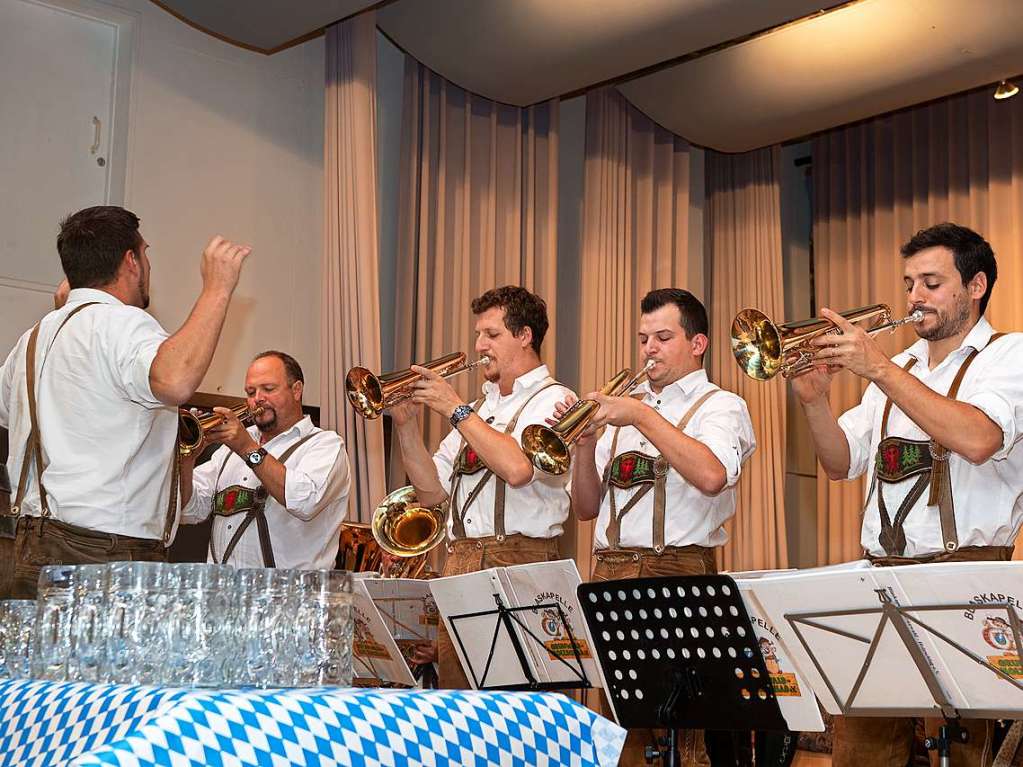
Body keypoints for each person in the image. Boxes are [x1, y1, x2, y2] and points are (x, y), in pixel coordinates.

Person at [791, 222, 1023, 766]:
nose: (915, 297)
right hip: (881, 576)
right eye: (909, 283)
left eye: (932, 282)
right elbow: (839, 462)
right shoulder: (902, 369)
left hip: (967, 578)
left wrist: (876, 366)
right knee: (862, 753)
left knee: (967, 755)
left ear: (976, 285)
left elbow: (978, 437)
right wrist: (813, 402)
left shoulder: (1008, 355)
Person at [0, 205, 251, 598]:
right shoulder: (122, 323)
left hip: (32, 544)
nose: (149, 265)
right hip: (103, 556)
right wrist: (217, 289)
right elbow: (175, 378)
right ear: (131, 260)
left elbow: (9, 411)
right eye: (146, 253)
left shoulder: (33, 339)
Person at [559, 287, 756, 767]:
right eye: (644, 337)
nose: (648, 349)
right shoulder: (626, 411)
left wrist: (642, 416)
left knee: (683, 734)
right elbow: (586, 508)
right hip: (608, 573)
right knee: (623, 731)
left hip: (678, 572)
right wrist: (584, 446)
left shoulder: (721, 406)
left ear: (698, 344)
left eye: (663, 337)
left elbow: (711, 476)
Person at [388, 285, 575, 689]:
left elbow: (518, 468)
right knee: (462, 710)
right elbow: (432, 495)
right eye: (478, 335)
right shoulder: (478, 409)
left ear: (525, 336)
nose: (479, 345)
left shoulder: (556, 399)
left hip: (520, 560)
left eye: (491, 334)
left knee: (517, 709)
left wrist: (455, 410)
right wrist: (405, 425)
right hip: (462, 561)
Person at [179, 351, 350, 569]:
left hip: (291, 598)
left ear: (296, 390)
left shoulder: (324, 445)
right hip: (225, 595)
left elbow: (305, 501)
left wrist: (246, 447)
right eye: (251, 392)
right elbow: (189, 510)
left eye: (268, 389)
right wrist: (187, 459)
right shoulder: (228, 450)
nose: (257, 398)